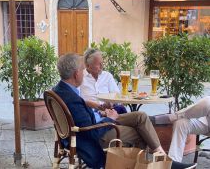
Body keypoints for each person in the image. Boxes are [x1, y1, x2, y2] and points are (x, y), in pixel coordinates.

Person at [53, 53, 196, 169]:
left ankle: (162, 158)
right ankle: (164, 164)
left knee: (140, 116)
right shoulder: (71, 97)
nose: (83, 74)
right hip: (98, 132)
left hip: (98, 120)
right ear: (76, 74)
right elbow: (91, 132)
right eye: (82, 71)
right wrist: (111, 119)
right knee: (140, 133)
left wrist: (102, 112)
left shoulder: (60, 90)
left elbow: (81, 111)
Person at [154, 96, 210, 162]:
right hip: (207, 123)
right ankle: (173, 162)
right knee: (181, 123)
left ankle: (171, 117)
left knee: (208, 101)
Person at [80, 48, 127, 122]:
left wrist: (110, 103)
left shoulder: (107, 76)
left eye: (102, 63)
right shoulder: (80, 77)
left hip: (110, 111)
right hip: (91, 114)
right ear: (88, 65)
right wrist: (98, 107)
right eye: (99, 64)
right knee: (139, 118)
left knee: (127, 112)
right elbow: (77, 100)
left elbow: (117, 96)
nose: (102, 66)